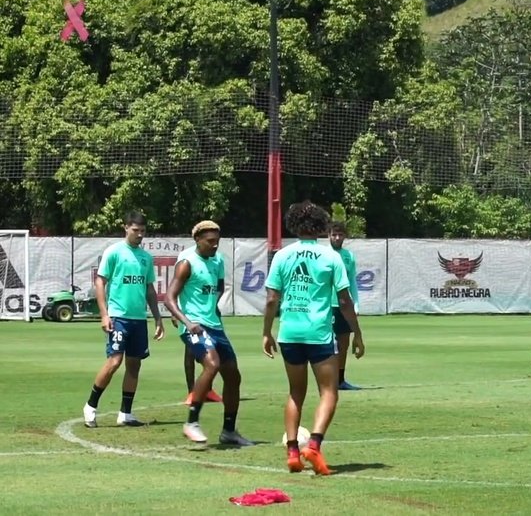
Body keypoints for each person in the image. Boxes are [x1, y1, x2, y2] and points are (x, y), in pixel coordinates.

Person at [262, 202, 365, 475]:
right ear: (321, 227)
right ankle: (315, 445)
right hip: (319, 333)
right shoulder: (331, 257)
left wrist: (266, 332)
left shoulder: (282, 256)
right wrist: (357, 334)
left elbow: (272, 299)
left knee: (296, 392)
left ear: (293, 226)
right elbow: (344, 301)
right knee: (329, 392)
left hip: (289, 333)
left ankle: (293, 451)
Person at [165, 221, 254, 446]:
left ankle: (229, 431)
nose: (215, 246)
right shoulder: (187, 263)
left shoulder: (218, 261)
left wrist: (213, 309)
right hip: (193, 326)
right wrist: (186, 321)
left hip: (214, 325)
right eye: (210, 241)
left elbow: (220, 287)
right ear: (197, 240)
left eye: (217, 241)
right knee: (212, 364)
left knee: (233, 376)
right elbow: (169, 298)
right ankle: (191, 422)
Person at [82, 211, 165, 428]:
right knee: (114, 361)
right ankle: (90, 406)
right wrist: (104, 314)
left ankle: (125, 413)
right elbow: (100, 282)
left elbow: (149, 289)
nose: (139, 235)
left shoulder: (146, 258)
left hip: (138, 319)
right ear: (126, 228)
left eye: (143, 231)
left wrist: (157, 318)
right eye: (135, 230)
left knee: (134, 365)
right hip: (118, 316)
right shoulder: (114, 252)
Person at [329, 221, 364, 391]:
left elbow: (352, 283)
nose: (337, 237)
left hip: (344, 305)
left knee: (344, 343)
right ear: (328, 235)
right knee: (327, 343)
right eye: (334, 234)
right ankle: (327, 379)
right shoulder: (324, 254)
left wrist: (355, 303)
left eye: (340, 234)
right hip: (327, 305)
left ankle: (340, 380)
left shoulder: (349, 256)